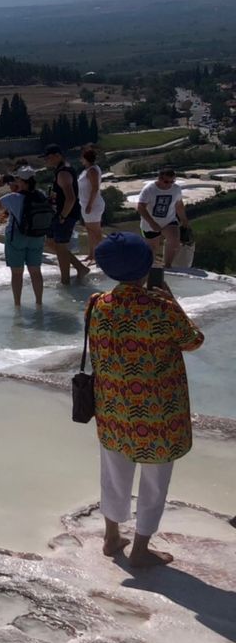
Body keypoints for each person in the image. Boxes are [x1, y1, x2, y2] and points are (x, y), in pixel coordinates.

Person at [88, 232, 204, 567]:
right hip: (158, 413)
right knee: (155, 480)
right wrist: (173, 302)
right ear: (145, 268)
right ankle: (140, 549)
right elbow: (193, 340)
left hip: (113, 406)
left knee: (113, 473)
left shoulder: (96, 304)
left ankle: (111, 536)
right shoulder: (161, 308)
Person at [0, 168, 48, 307]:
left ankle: (18, 305)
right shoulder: (42, 195)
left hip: (17, 237)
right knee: (36, 272)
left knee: (17, 273)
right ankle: (39, 303)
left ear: (21, 181)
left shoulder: (13, 197)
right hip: (37, 236)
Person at [42, 144, 91, 283]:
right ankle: (80, 267)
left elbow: (70, 198)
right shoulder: (60, 170)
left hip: (65, 214)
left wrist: (63, 216)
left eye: (48, 158)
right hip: (58, 213)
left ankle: (65, 280)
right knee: (51, 242)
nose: (46, 160)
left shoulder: (63, 172)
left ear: (57, 156)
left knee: (61, 246)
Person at [137, 167, 189, 269]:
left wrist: (184, 220)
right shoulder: (149, 189)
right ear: (159, 179)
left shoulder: (176, 189)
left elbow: (179, 204)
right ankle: (150, 269)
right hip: (150, 223)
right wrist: (152, 223)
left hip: (169, 220)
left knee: (174, 242)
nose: (169, 184)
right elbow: (140, 207)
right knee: (152, 248)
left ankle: (167, 266)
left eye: (172, 182)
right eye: (166, 182)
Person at [78, 146, 104, 262]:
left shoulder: (92, 170)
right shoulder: (87, 170)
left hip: (92, 204)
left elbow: (95, 188)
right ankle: (92, 254)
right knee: (90, 230)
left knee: (96, 232)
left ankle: (101, 255)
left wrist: (89, 204)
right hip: (85, 203)